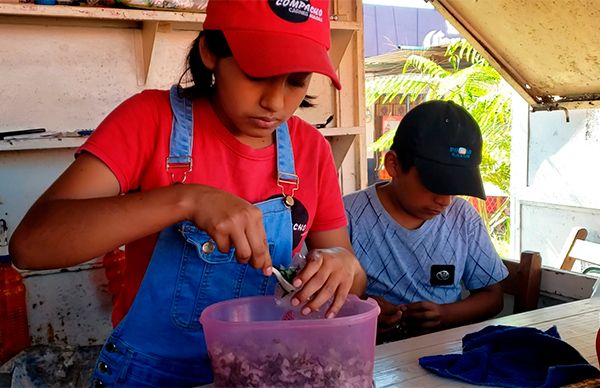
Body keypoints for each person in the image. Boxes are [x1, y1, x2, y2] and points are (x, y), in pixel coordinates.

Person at [9, 0, 366, 385]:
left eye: (297, 81)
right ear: (210, 51)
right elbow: (32, 245)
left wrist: (341, 265)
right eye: (256, 72)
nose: (275, 102)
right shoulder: (150, 121)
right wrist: (186, 200)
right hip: (151, 376)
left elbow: (351, 278)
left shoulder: (309, 149)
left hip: (265, 371)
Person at [344, 100, 507, 343]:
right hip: (370, 356)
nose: (444, 200)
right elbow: (316, 300)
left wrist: (445, 314)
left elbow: (493, 297)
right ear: (393, 165)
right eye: (434, 185)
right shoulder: (347, 216)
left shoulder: (463, 218)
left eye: (455, 188)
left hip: (444, 356)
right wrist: (361, 311)